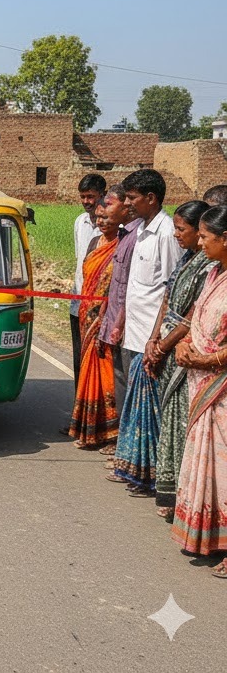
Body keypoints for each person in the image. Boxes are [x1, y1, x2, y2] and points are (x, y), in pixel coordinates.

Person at [107, 170, 183, 496]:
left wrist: (157, 341)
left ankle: (152, 477)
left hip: (152, 342)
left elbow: (171, 294)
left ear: (150, 198)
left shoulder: (166, 235)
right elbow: (135, 287)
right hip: (134, 334)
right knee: (135, 410)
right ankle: (133, 468)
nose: (128, 203)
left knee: (151, 413)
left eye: (132, 198)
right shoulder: (139, 232)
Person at [141, 200, 212, 518]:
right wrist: (153, 339)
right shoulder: (187, 259)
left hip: (186, 352)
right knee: (169, 420)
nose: (178, 236)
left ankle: (186, 498)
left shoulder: (210, 269)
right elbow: (169, 298)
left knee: (185, 424)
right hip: (169, 346)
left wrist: (164, 345)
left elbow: (190, 315)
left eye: (181, 230)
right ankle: (171, 493)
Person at [171, 205, 227, 573]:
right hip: (200, 381)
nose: (200, 242)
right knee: (206, 462)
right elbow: (197, 318)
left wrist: (206, 361)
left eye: (206, 237)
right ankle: (208, 536)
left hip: (220, 386)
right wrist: (182, 344)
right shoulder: (213, 275)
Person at [66, 202, 119, 449]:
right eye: (98, 217)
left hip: (107, 318)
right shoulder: (93, 243)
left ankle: (110, 432)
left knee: (107, 372)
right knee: (85, 368)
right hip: (86, 315)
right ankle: (88, 428)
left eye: (106, 217)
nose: (101, 222)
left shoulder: (121, 245)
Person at [98, 184, 141, 412]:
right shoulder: (125, 235)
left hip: (127, 324)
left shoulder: (136, 237)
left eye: (109, 204)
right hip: (114, 319)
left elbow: (132, 288)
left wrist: (119, 322)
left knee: (127, 381)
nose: (105, 209)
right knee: (119, 378)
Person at [70, 175, 106, 382]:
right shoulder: (80, 222)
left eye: (91, 196)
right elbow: (80, 261)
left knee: (98, 358)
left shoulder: (112, 226)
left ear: (102, 195)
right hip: (78, 302)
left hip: (100, 306)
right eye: (83, 197)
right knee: (78, 357)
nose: (86, 201)